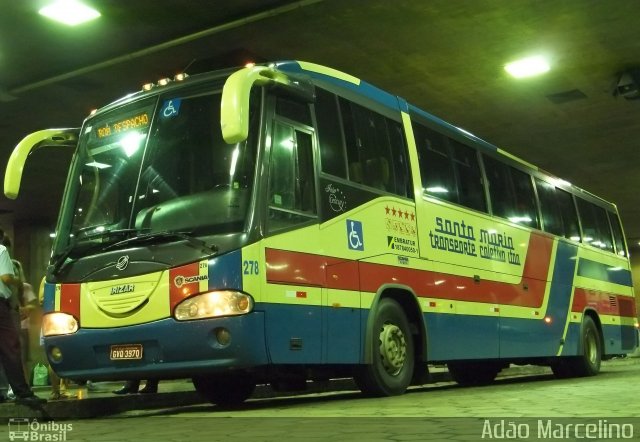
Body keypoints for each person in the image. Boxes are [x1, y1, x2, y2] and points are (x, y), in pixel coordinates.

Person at [0, 228, 46, 406]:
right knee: (10, 346)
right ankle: (22, 393)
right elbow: (5, 277)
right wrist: (18, 282)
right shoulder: (1, 250)